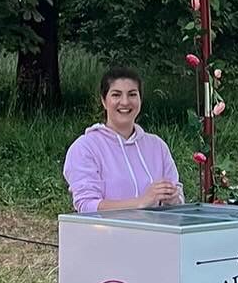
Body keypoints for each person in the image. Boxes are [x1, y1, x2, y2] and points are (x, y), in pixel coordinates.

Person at [64, 68, 184, 213]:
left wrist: (173, 198)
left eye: (132, 94)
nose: (125, 102)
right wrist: (141, 202)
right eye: (116, 95)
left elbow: (178, 200)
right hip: (108, 234)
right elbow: (87, 206)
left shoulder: (157, 146)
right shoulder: (85, 148)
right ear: (104, 101)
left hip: (157, 234)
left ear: (140, 99)